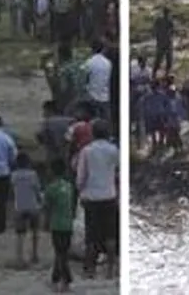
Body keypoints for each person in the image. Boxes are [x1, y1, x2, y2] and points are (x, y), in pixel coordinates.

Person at [77, 119, 119, 279]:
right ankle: (111, 269)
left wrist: (80, 190)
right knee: (110, 235)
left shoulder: (86, 151)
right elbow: (119, 170)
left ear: (93, 133)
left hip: (91, 197)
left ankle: (90, 269)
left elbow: (81, 176)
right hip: (109, 196)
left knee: (91, 235)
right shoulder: (113, 150)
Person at [43, 159, 76, 292]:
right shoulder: (69, 187)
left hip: (57, 224)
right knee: (63, 252)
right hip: (68, 224)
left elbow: (47, 208)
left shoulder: (51, 188)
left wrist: (46, 223)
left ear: (52, 171)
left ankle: (66, 278)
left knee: (59, 252)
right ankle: (55, 278)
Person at [11, 152, 43, 267]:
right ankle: (34, 254)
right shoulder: (33, 175)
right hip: (32, 206)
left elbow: (13, 189)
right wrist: (41, 201)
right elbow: (37, 190)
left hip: (19, 206)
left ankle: (19, 257)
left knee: (20, 234)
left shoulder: (14, 175)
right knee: (35, 231)